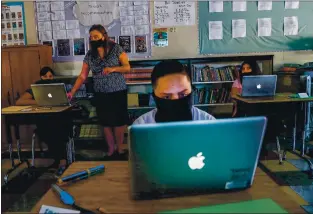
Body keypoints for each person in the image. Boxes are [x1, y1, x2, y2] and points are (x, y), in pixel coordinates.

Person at [68, 24, 131, 156]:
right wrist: (72, 92)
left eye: (96, 36)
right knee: (105, 122)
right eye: (91, 37)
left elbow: (127, 67)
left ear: (104, 36)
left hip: (117, 91)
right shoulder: (90, 55)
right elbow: (82, 76)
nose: (93, 39)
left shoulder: (116, 48)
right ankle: (110, 149)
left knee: (119, 122)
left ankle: (120, 148)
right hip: (101, 93)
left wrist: (113, 69)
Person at [16, 67, 71, 173]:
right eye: (45, 76)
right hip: (44, 121)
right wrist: (41, 101)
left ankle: (61, 160)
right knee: (47, 131)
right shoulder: (36, 87)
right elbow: (20, 101)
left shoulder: (58, 86)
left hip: (60, 119)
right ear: (41, 77)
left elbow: (67, 99)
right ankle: (60, 160)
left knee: (58, 130)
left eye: (50, 76)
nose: (48, 78)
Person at [133, 60, 215, 124]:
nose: (176, 101)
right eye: (166, 97)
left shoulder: (209, 123)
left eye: (182, 94)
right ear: (154, 95)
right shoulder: (141, 126)